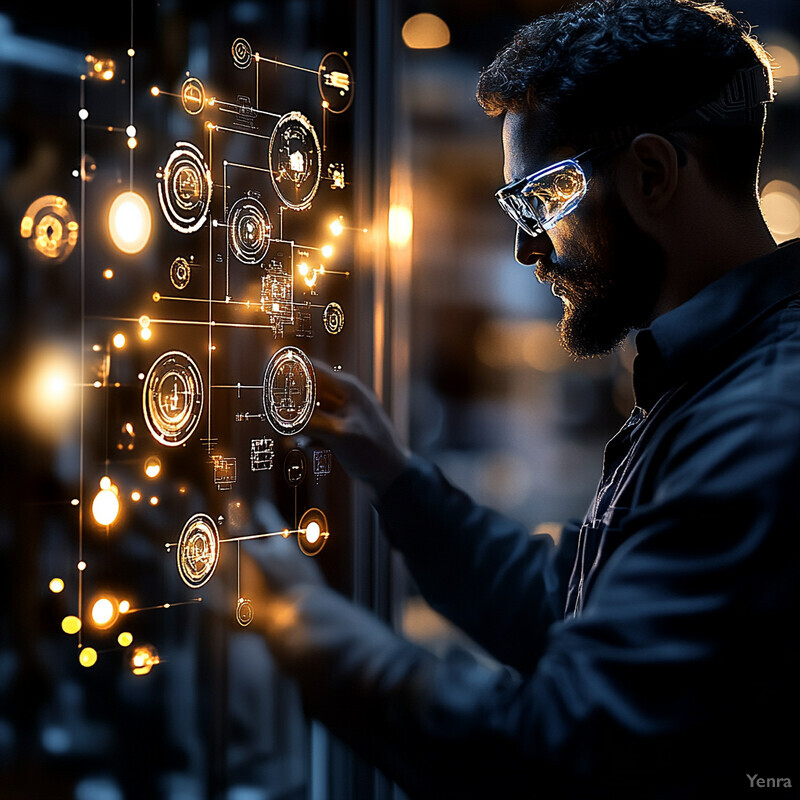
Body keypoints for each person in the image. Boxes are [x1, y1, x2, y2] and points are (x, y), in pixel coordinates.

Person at [242, 0, 799, 796]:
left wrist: (302, 624)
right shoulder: (712, 376)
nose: (525, 246)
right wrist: (395, 476)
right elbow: (569, 605)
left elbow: (551, 750)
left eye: (541, 199)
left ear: (652, 174)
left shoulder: (760, 422)